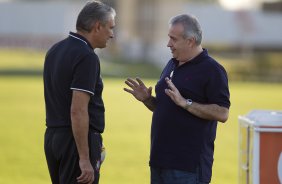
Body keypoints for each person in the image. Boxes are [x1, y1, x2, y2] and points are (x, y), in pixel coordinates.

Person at [124, 14, 230, 184]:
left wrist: (186, 103)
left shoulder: (213, 70)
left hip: (187, 168)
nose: (168, 44)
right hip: (159, 161)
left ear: (190, 41)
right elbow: (166, 107)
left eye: (173, 39)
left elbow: (223, 113)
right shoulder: (172, 63)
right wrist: (147, 99)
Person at [43, 1, 115, 184]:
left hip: (53, 138)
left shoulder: (55, 50)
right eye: (110, 28)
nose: (112, 34)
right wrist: (84, 158)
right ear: (97, 26)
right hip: (74, 143)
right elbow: (78, 110)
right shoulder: (87, 56)